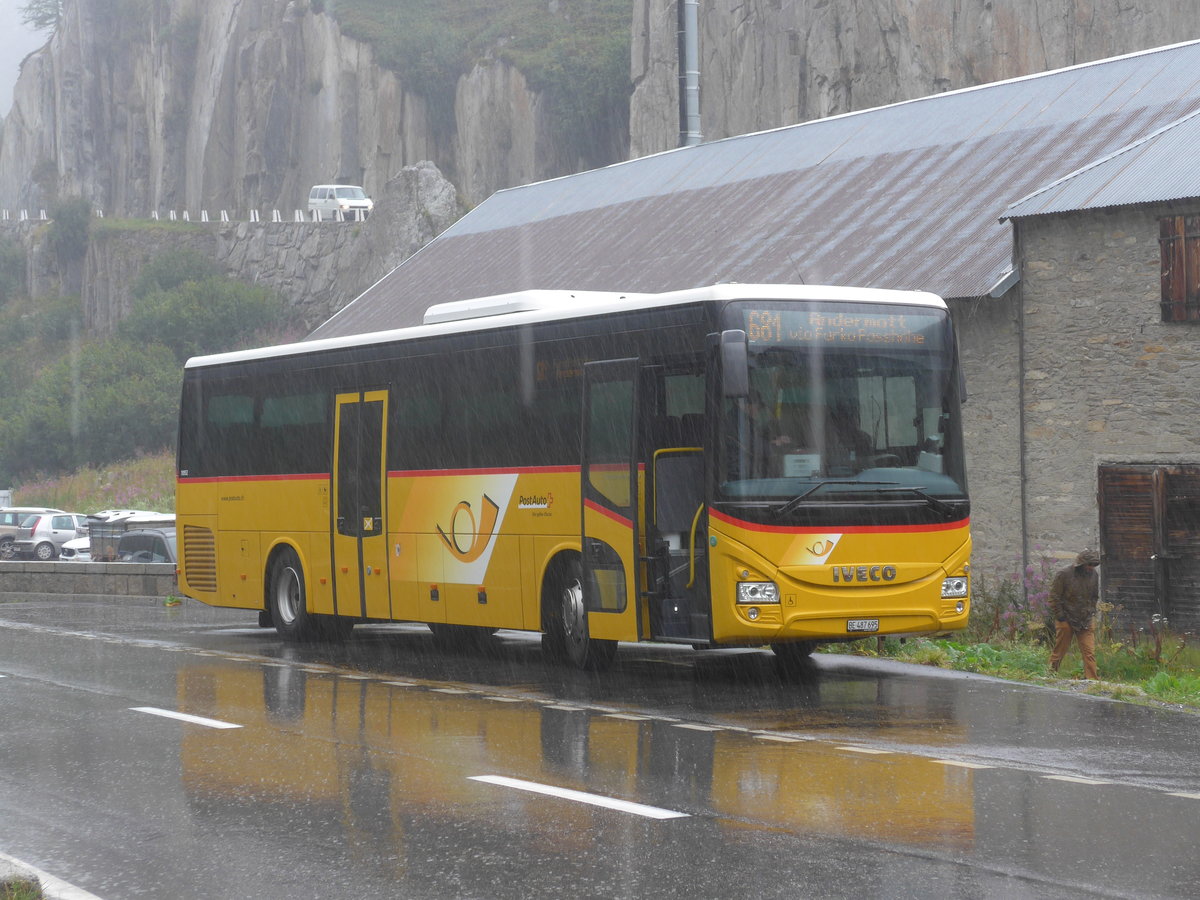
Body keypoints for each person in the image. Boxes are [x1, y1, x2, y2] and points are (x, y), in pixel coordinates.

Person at [1048, 549, 1101, 679]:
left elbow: (1094, 596)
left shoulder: (1094, 575)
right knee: (1059, 651)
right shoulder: (1064, 574)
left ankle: (1093, 681)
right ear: (1081, 563)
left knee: (1089, 652)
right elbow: (1054, 597)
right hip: (1066, 618)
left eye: (1094, 565)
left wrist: (1091, 613)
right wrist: (1061, 618)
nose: (1091, 568)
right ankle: (1049, 675)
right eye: (1089, 564)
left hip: (1085, 619)